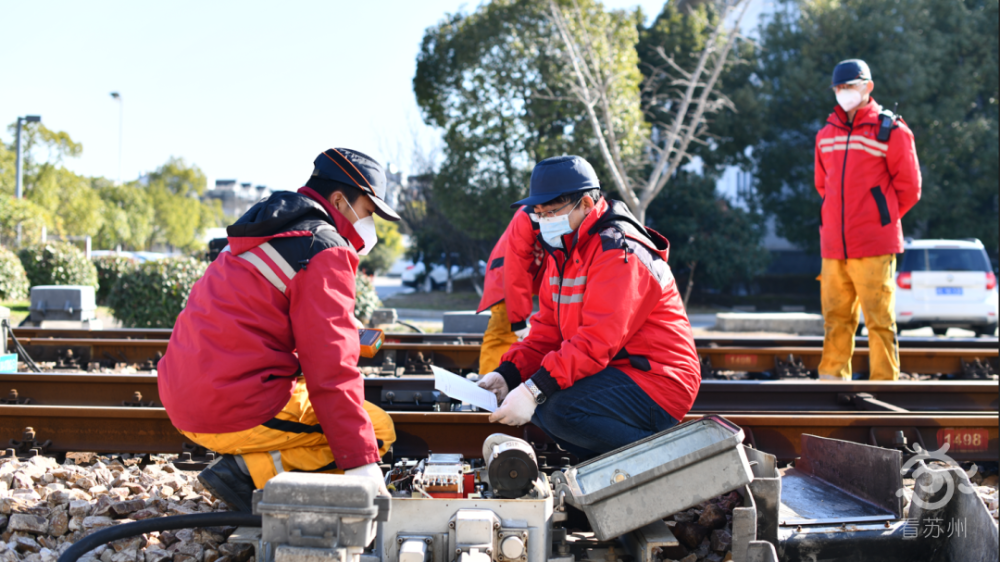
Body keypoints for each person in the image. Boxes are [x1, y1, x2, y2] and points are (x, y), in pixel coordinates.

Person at [158, 148, 401, 511]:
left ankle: (250, 469)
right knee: (377, 431)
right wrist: (361, 462)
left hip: (187, 394)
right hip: (230, 406)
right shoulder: (324, 248)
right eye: (368, 212)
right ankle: (243, 475)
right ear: (339, 200)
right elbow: (331, 370)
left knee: (341, 418)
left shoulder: (268, 230)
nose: (370, 225)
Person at [477, 155, 701, 460]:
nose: (543, 222)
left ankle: (669, 460)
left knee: (556, 409)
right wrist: (508, 375)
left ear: (585, 204)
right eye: (538, 214)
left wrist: (533, 389)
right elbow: (546, 334)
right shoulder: (564, 251)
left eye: (550, 212)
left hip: (659, 380)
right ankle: (607, 469)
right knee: (543, 403)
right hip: (616, 371)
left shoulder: (619, 251)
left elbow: (596, 341)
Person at [815, 59, 921, 380]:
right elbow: (823, 186)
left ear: (868, 87)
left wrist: (879, 221)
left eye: (849, 86)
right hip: (834, 247)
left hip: (874, 244)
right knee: (835, 320)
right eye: (839, 87)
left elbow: (910, 188)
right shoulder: (825, 134)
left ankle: (885, 385)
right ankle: (831, 384)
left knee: (879, 322)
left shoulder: (892, 131)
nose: (843, 92)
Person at [475, 208, 543, 374]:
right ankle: (488, 382)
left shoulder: (539, 211)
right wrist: (518, 322)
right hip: (505, 276)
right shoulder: (528, 216)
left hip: (526, 275)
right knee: (502, 331)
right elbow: (516, 270)